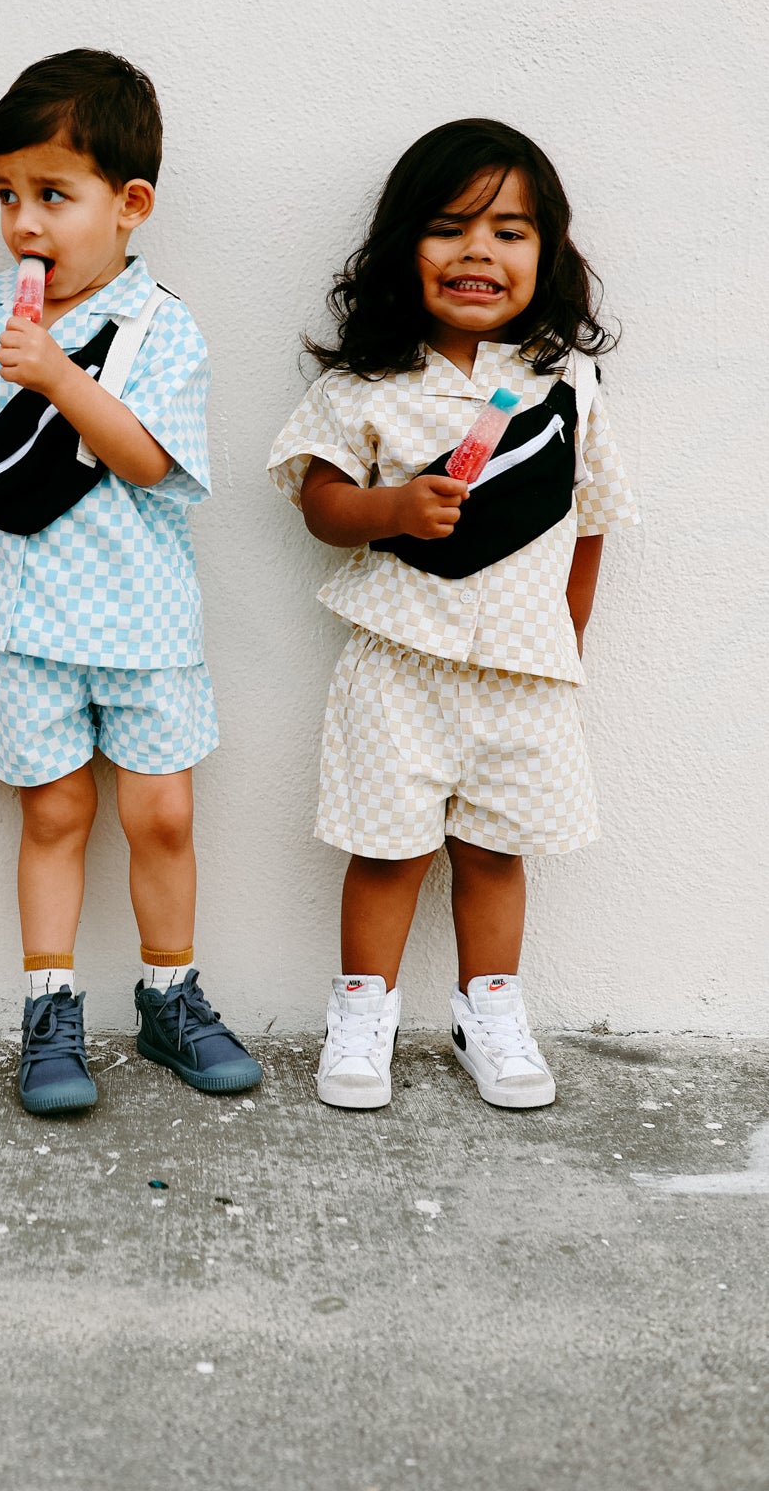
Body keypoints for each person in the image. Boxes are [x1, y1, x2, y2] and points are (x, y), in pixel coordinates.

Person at [268, 119, 638, 1111]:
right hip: (401, 663)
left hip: (523, 670)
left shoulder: (567, 388)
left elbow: (591, 521)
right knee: (386, 848)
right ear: (402, 251)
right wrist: (390, 508)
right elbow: (320, 500)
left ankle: (491, 1010)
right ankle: (364, 1011)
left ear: (548, 257)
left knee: (494, 848)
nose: (479, 250)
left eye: (510, 231)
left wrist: (567, 638)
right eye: (450, 226)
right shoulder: (368, 384)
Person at [0, 49, 260, 1114]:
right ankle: (50, 1008)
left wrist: (61, 374)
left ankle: (170, 995)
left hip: (146, 618)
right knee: (55, 813)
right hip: (26, 612)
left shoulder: (165, 324)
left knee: (161, 815)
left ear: (130, 204)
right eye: (7, 196)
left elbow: (154, 462)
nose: (25, 222)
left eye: (52, 196)